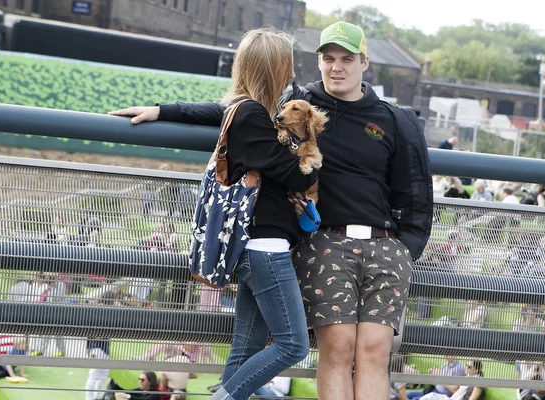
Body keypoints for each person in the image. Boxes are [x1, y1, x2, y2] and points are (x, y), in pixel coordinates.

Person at [109, 20, 432, 400]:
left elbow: (413, 189)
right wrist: (164, 110)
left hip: (383, 245)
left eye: (346, 58)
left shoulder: (394, 119)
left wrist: (406, 247)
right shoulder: (299, 103)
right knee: (336, 348)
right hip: (324, 241)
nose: (336, 66)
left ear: (365, 62)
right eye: (328, 58)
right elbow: (235, 112)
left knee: (375, 352)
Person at [112, 27, 316, 400]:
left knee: (244, 350)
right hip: (265, 248)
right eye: (287, 67)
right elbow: (299, 175)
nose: (292, 76)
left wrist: (163, 110)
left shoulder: (252, 112)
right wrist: (310, 147)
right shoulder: (252, 115)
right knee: (293, 344)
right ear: (272, 68)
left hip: (258, 247)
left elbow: (218, 114)